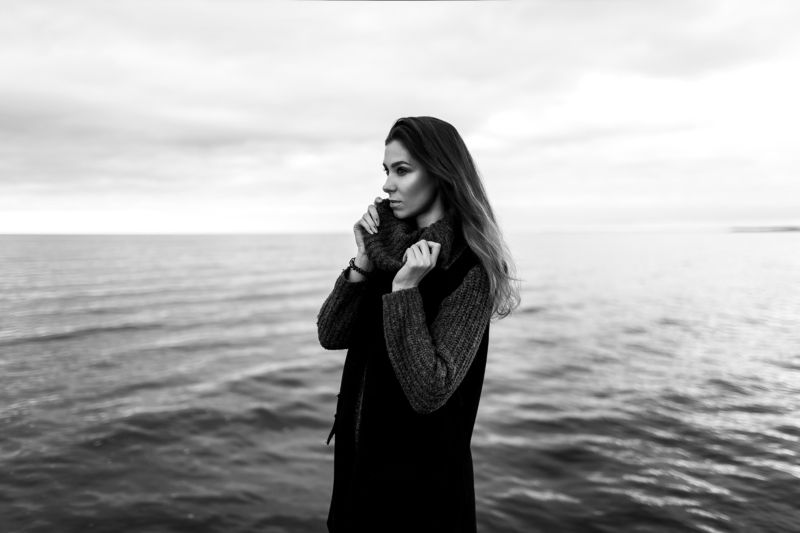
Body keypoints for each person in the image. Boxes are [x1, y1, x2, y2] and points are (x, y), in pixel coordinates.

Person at [316, 116, 520, 533]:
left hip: (422, 495)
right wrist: (361, 265)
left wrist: (405, 290)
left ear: (441, 173)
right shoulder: (386, 251)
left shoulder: (471, 268)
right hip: (357, 475)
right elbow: (331, 334)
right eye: (387, 171)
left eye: (402, 170)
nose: (388, 184)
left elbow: (430, 389)